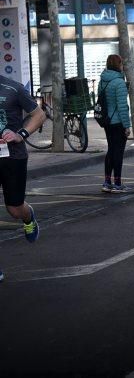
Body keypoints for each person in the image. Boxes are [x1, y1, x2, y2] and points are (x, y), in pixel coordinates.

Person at [0, 76, 47, 281]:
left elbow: (38, 114)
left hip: (13, 157)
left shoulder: (13, 88)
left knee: (14, 209)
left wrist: (20, 134)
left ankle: (28, 216)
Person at [100, 54, 132, 193]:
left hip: (107, 121)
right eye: (121, 63)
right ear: (118, 65)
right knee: (118, 152)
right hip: (118, 122)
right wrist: (126, 126)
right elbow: (122, 107)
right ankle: (117, 183)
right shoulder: (119, 82)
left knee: (111, 151)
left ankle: (107, 182)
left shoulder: (103, 80)